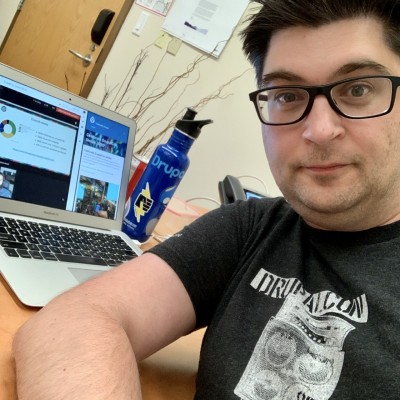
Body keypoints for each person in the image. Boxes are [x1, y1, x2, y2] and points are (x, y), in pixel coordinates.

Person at [12, 0, 400, 398]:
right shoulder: (250, 229)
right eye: (286, 95)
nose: (319, 129)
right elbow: (74, 320)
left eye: (358, 89)